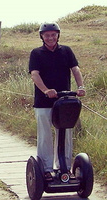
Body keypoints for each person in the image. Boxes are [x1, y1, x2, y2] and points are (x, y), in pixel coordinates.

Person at [29, 22, 86, 182]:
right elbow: (34, 74)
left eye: (53, 34)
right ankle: (46, 169)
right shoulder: (36, 53)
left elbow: (75, 69)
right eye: (47, 35)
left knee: (66, 132)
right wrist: (46, 90)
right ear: (42, 36)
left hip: (64, 100)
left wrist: (80, 87)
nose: (50, 37)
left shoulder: (66, 51)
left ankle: (64, 167)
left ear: (58, 35)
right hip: (43, 101)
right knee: (45, 134)